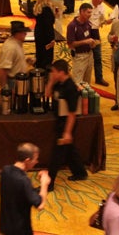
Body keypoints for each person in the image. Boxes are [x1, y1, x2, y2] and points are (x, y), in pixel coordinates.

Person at [0, 143, 50, 235]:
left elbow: (23, 193)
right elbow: (40, 204)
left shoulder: (5, 171)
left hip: (4, 230)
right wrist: (44, 183)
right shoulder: (23, 180)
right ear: (27, 160)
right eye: (35, 159)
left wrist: (39, 188)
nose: (37, 162)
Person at [44, 59, 88, 189]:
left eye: (54, 72)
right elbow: (47, 94)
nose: (51, 74)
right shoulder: (59, 83)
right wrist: (51, 81)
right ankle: (80, 172)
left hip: (67, 124)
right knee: (69, 150)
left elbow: (72, 113)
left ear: (61, 72)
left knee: (56, 155)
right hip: (59, 121)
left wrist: (67, 132)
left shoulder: (70, 88)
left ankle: (49, 184)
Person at [67, 3, 99, 84]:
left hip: (89, 55)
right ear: (81, 11)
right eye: (88, 12)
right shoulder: (72, 26)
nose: (90, 15)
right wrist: (85, 41)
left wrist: (94, 43)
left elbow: (95, 39)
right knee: (77, 82)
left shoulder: (88, 23)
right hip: (79, 57)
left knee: (87, 83)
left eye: (91, 12)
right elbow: (70, 44)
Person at [0, 21, 34, 88]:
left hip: (19, 79)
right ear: (18, 33)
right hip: (13, 82)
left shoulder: (17, 43)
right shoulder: (10, 47)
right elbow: (3, 69)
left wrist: (25, 60)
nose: (25, 34)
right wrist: (4, 88)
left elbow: (14, 60)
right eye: (23, 32)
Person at [89, 0, 112, 86]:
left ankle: (99, 78)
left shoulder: (102, 7)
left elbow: (102, 21)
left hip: (95, 33)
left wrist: (107, 21)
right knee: (84, 57)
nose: (102, 1)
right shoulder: (86, 6)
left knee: (97, 56)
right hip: (86, 32)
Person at [33, 0, 57, 70]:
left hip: (38, 33)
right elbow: (48, 26)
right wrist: (52, 39)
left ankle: (38, 71)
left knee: (39, 54)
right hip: (46, 36)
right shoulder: (47, 9)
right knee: (47, 58)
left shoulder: (38, 7)